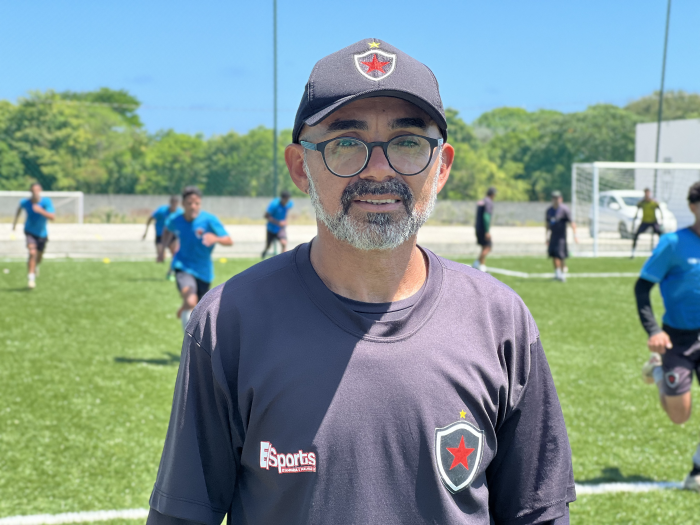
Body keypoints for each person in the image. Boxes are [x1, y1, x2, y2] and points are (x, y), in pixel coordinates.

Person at [147, 39, 574, 525]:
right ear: (300, 168)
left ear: (441, 167)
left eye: (408, 142)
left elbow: (537, 515)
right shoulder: (229, 322)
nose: (379, 169)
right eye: (345, 144)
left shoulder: (500, 320)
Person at [637, 181, 700, 491]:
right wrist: (654, 331)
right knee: (679, 415)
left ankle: (697, 471)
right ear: (693, 206)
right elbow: (642, 288)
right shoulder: (673, 243)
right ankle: (659, 370)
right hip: (678, 339)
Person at [160, 186, 232, 331]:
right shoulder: (176, 220)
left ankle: (185, 306)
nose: (193, 206)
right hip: (183, 266)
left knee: (199, 308)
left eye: (197, 203)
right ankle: (189, 342)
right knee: (191, 300)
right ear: (183, 204)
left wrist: (216, 238)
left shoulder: (209, 220)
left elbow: (229, 241)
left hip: (204, 271)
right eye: (189, 203)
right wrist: (162, 249)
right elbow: (167, 229)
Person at [11, 182, 55, 289]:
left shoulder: (46, 202)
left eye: (37, 190)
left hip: (42, 233)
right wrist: (14, 224)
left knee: (38, 257)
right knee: (32, 252)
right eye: (33, 190)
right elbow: (19, 210)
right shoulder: (25, 202)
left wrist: (40, 211)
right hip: (29, 231)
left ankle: (35, 266)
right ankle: (31, 279)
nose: (35, 192)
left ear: (40, 191)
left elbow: (52, 217)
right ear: (30, 191)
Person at [143, 196, 183, 279]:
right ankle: (162, 255)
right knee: (161, 257)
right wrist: (145, 232)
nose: (174, 205)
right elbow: (150, 218)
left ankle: (170, 273)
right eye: (173, 203)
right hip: (160, 235)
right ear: (170, 203)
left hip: (172, 236)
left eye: (176, 203)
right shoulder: (161, 210)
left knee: (176, 254)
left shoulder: (179, 212)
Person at [546, 190, 578, 282]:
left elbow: (572, 223)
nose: (556, 200)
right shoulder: (549, 211)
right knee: (554, 255)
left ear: (561, 199)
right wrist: (546, 237)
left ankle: (562, 275)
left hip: (561, 237)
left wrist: (575, 235)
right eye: (554, 198)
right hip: (553, 236)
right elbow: (547, 225)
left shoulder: (564, 209)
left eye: (557, 198)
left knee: (560, 256)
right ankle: (557, 275)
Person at [631, 187, 664, 258]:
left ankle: (662, 251)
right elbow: (637, 210)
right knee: (636, 235)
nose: (647, 194)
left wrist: (661, 219)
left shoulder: (654, 202)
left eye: (648, 193)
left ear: (650, 193)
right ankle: (633, 252)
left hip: (653, 221)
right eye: (646, 193)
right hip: (644, 222)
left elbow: (660, 210)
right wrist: (635, 218)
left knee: (661, 235)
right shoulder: (642, 202)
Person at [261, 190, 293, 258]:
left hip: (280, 229)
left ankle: (282, 260)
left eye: (288, 200)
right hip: (271, 228)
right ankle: (264, 252)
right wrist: (278, 222)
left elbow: (286, 211)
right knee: (268, 246)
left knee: (284, 243)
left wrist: (285, 220)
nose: (287, 202)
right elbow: (266, 216)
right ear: (282, 198)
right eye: (286, 200)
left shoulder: (289, 203)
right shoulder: (274, 204)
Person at [473, 187, 496, 272]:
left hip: (477, 227)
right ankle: (480, 267)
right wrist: (487, 231)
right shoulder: (488, 202)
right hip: (483, 228)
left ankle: (478, 265)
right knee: (488, 247)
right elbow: (486, 216)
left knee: (484, 247)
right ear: (492, 194)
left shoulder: (482, 201)